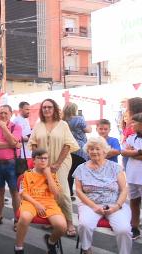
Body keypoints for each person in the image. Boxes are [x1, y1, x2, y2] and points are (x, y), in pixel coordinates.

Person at [29, 98, 79, 237]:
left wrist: (57, 164)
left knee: (62, 191)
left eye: (49, 107)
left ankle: (69, 222)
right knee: (49, 191)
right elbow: (33, 143)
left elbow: (68, 145)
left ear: (54, 109)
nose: (47, 109)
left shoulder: (63, 124)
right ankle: (54, 218)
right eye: (44, 107)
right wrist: (38, 160)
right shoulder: (39, 125)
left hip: (61, 162)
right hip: (43, 163)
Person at [74, 137, 131, 254]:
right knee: (84, 225)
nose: (94, 151)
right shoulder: (81, 168)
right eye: (91, 149)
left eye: (97, 149)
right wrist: (94, 207)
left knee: (124, 230)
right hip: (90, 204)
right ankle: (86, 249)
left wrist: (117, 206)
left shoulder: (115, 167)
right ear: (87, 151)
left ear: (105, 150)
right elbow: (79, 191)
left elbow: (124, 189)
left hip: (114, 203)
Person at [15, 148, 66, 254]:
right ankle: (18, 248)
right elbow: (23, 193)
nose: (43, 160)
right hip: (31, 202)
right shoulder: (26, 174)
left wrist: (48, 176)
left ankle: (51, 242)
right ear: (33, 160)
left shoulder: (52, 175)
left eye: (45, 158)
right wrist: (36, 204)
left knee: (62, 226)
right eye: (40, 158)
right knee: (24, 217)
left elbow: (56, 194)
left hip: (49, 203)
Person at [0, 105, 22, 229]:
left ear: (10, 114)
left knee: (14, 192)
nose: (2, 115)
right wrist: (11, 144)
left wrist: (3, 127)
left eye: (5, 113)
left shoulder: (16, 127)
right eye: (1, 113)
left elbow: (15, 142)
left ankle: (18, 219)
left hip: (12, 164)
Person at [63, 102, 92, 201]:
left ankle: (69, 192)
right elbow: (88, 130)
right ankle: (85, 194)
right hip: (80, 149)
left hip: (68, 148)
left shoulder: (63, 121)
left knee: (70, 172)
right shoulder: (79, 119)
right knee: (82, 172)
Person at [122, 112, 142, 240]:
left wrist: (132, 152)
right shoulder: (132, 137)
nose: (131, 126)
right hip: (132, 176)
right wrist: (137, 152)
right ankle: (134, 227)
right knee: (134, 202)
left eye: (134, 123)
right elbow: (124, 152)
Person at [13, 101, 32, 168]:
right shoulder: (16, 121)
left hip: (28, 152)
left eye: (29, 109)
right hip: (21, 154)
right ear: (20, 110)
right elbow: (14, 137)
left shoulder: (26, 119)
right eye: (27, 109)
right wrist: (27, 138)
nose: (29, 111)